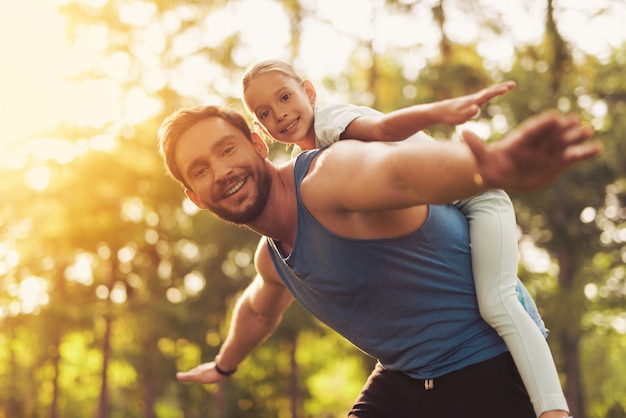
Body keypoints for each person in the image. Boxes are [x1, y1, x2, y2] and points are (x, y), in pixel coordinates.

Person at [158, 104, 600, 417]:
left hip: (489, 364)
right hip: (406, 377)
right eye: (200, 170)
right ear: (195, 197)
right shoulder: (272, 258)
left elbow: (398, 171)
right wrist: (224, 364)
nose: (221, 172)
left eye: (227, 149)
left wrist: (488, 167)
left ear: (258, 143)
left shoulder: (327, 179)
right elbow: (257, 309)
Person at [240, 60, 564, 417]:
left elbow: (386, 127)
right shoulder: (307, 163)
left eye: (285, 97)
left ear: (309, 91)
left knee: (498, 301)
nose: (281, 114)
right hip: (447, 208)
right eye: (266, 112)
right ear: (260, 129)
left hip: (478, 196)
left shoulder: (332, 124)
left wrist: (439, 112)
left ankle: (554, 412)